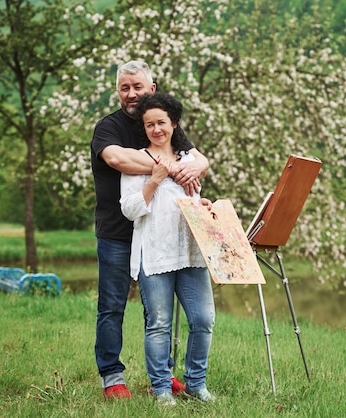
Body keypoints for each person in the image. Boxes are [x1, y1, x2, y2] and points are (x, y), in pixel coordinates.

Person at [90, 60, 208, 399]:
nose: (131, 94)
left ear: (151, 89)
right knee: (112, 306)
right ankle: (112, 377)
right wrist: (173, 168)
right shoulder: (107, 127)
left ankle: (163, 376)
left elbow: (200, 161)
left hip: (159, 234)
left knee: (157, 311)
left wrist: (189, 167)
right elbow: (118, 160)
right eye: (124, 88)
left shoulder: (159, 121)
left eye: (137, 87)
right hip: (117, 231)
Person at [120, 92, 216, 406]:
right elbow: (130, 210)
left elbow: (188, 202)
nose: (156, 129)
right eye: (149, 124)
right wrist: (154, 180)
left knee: (203, 320)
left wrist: (201, 204)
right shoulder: (139, 161)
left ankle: (196, 384)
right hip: (154, 253)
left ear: (173, 123)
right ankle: (161, 389)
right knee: (159, 323)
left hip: (189, 251)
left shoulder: (190, 162)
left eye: (161, 122)